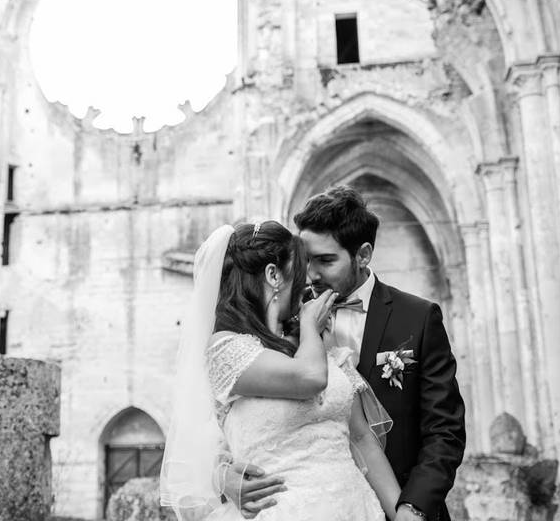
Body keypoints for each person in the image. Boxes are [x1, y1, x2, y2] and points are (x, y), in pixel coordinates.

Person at [226, 186, 466, 521]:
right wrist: (223, 475)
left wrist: (412, 507)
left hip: (404, 506)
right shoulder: (281, 323)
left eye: (325, 261)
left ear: (363, 255)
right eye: (306, 260)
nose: (311, 274)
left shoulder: (419, 318)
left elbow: (445, 429)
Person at [161, 221, 401, 521]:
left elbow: (363, 437)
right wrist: (221, 475)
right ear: (273, 274)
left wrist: (403, 512)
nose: (308, 282)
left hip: (355, 509)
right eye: (300, 271)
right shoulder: (226, 348)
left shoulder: (312, 345)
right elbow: (310, 378)